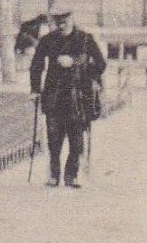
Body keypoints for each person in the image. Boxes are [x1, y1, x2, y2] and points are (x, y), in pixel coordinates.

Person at [29, 10, 106, 188]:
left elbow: (101, 64)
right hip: (53, 97)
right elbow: (36, 65)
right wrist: (35, 89)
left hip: (77, 98)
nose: (62, 26)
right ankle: (54, 175)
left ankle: (71, 176)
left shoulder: (85, 39)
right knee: (53, 140)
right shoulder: (48, 40)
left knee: (76, 141)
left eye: (65, 21)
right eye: (58, 23)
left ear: (72, 19)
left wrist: (77, 64)